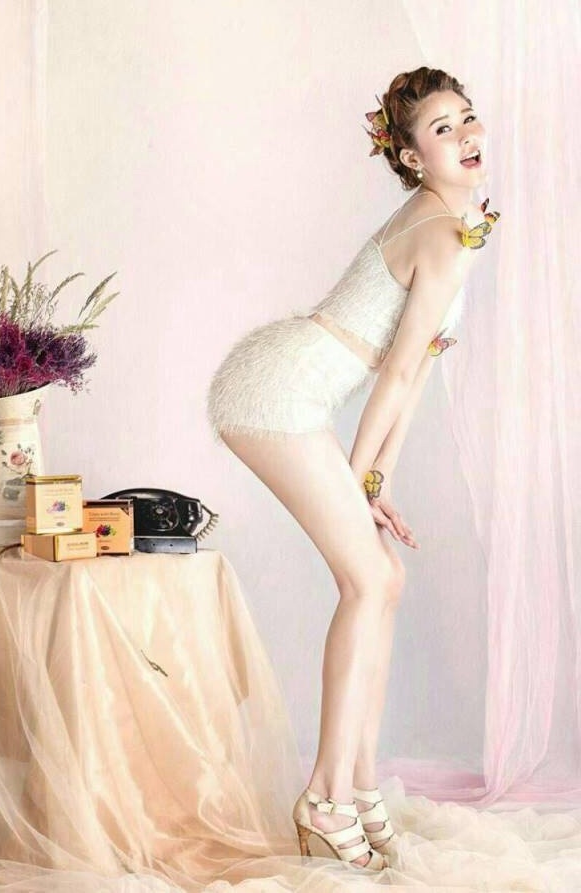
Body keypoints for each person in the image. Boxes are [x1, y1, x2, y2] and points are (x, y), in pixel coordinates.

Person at [206, 66, 496, 871]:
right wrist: (360, 476)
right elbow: (395, 372)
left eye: (467, 117)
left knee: (384, 576)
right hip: (277, 390)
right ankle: (325, 797)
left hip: (296, 390)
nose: (466, 135)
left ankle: (361, 786)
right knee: (368, 579)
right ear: (410, 156)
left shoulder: (459, 222)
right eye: (442, 128)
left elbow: (420, 366)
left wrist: (376, 479)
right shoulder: (441, 229)